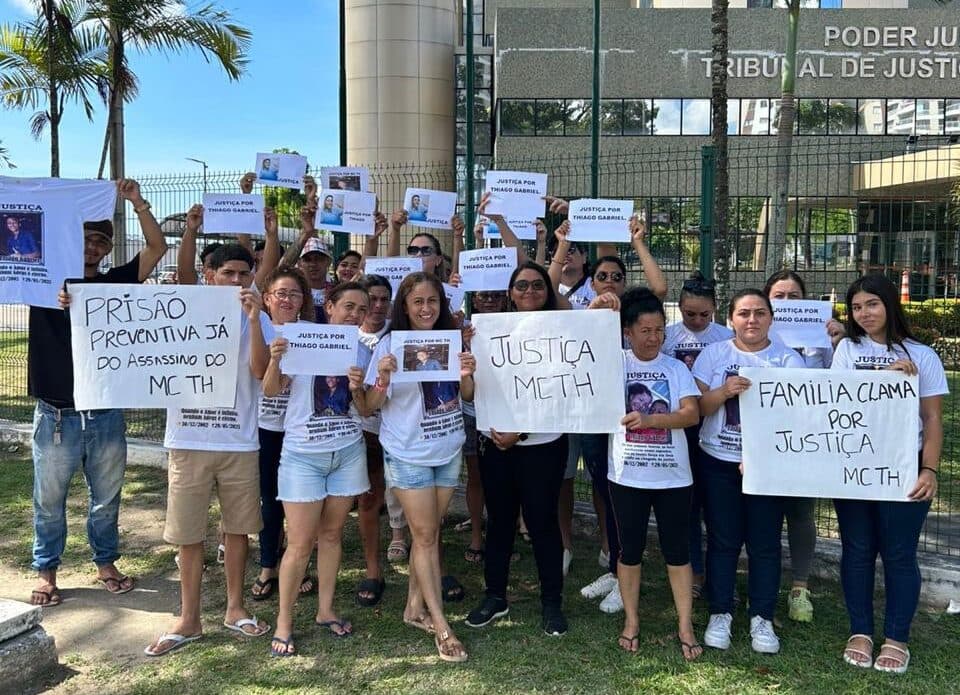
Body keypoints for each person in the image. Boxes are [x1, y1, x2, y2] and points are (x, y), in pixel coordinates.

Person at [29, 179, 167, 607]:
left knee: (106, 499)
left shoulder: (117, 283)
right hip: (56, 414)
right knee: (48, 501)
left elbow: (157, 249)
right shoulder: (43, 281)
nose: (92, 249)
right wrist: (51, 296)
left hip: (104, 412)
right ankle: (46, 569)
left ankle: (105, 562)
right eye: (86, 239)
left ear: (108, 249)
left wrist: (138, 202)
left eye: (100, 243)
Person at [146, 244, 273, 657]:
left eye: (244, 273)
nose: (237, 281)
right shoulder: (179, 308)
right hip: (188, 439)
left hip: (238, 439)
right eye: (229, 273)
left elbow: (260, 371)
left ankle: (235, 609)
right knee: (188, 533)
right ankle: (189, 618)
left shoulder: (262, 317)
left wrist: (254, 321)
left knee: (238, 529)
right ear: (209, 274)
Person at [548, 217, 667, 614]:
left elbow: (660, 289)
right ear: (591, 281)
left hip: (630, 423)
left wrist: (638, 243)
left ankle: (623, 572)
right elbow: (550, 290)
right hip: (592, 420)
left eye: (617, 275)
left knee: (620, 498)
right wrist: (562, 244)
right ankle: (616, 569)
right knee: (603, 487)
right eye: (602, 276)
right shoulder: (583, 308)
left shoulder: (634, 311)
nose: (610, 281)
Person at [832, 274, 946, 674]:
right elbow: (838, 404)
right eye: (857, 307)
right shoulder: (847, 349)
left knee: (899, 553)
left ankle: (897, 637)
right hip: (854, 466)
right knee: (858, 550)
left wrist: (929, 468)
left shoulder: (922, 355)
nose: (864, 314)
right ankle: (860, 631)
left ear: (888, 305)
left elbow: (932, 418)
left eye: (872, 304)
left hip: (904, 466)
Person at [363, 272, 476, 663]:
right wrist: (382, 378)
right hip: (407, 453)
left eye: (433, 301)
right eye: (418, 302)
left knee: (429, 534)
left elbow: (467, 395)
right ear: (405, 306)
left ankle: (413, 607)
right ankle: (442, 627)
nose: (426, 309)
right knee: (426, 538)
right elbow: (368, 407)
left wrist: (467, 372)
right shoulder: (389, 346)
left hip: (448, 449)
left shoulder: (452, 340)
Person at [264, 282, 374, 656]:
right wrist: (277, 358)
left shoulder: (362, 348)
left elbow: (365, 409)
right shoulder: (297, 338)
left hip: (347, 452)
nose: (355, 314)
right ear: (329, 306)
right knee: (298, 544)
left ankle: (325, 610)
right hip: (302, 455)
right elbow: (270, 391)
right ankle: (284, 621)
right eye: (348, 306)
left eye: (362, 309)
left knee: (332, 535)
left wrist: (359, 389)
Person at [465, 261, 573, 637]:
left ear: (548, 291)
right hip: (496, 444)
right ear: (510, 292)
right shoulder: (489, 330)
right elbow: (474, 389)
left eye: (537, 286)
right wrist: (467, 361)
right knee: (500, 522)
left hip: (543, 445)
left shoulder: (563, 332)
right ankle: (495, 595)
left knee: (543, 524)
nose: (529, 292)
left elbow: (564, 392)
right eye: (521, 286)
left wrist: (521, 433)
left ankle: (551, 603)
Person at [693, 289, 805, 655]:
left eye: (759, 312)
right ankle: (721, 611)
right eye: (744, 313)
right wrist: (724, 391)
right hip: (719, 461)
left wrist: (761, 454)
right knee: (723, 540)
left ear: (771, 318)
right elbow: (698, 409)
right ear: (731, 319)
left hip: (767, 466)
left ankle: (762, 617)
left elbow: (794, 418)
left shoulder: (788, 361)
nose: (752, 320)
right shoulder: (714, 354)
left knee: (765, 544)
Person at [609, 287, 702, 661]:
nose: (654, 338)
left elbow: (691, 414)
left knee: (677, 552)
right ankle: (631, 620)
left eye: (659, 330)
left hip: (673, 478)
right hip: (627, 476)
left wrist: (650, 419)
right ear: (628, 332)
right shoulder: (613, 364)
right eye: (645, 330)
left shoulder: (676, 368)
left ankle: (685, 624)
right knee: (628, 550)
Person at [763, 269, 846, 623]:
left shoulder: (823, 339)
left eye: (793, 296)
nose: (785, 302)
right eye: (778, 296)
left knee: (800, 513)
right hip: (762, 436)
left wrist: (841, 341)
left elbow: (846, 381)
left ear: (806, 301)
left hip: (808, 439)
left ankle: (799, 586)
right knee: (762, 513)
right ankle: (761, 584)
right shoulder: (752, 331)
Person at [662, 272, 733, 601]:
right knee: (686, 506)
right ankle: (694, 572)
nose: (697, 320)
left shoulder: (726, 337)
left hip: (716, 430)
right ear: (680, 307)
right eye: (690, 314)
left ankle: (719, 574)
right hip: (679, 430)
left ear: (715, 309)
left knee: (717, 509)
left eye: (705, 314)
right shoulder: (667, 336)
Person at [250, 267, 316, 602]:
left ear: (303, 300)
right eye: (281, 293)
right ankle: (267, 565)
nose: (287, 299)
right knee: (269, 500)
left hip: (300, 431)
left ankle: (298, 561)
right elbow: (259, 374)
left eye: (294, 294)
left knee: (298, 501)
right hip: (264, 428)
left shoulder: (313, 333)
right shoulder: (255, 328)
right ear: (267, 298)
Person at [355, 275, 409, 607]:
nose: (376, 306)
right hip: (358, 430)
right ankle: (373, 571)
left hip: (393, 430)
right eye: (369, 299)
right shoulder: (341, 334)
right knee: (368, 500)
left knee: (408, 494)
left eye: (382, 299)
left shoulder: (400, 336)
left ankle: (407, 543)